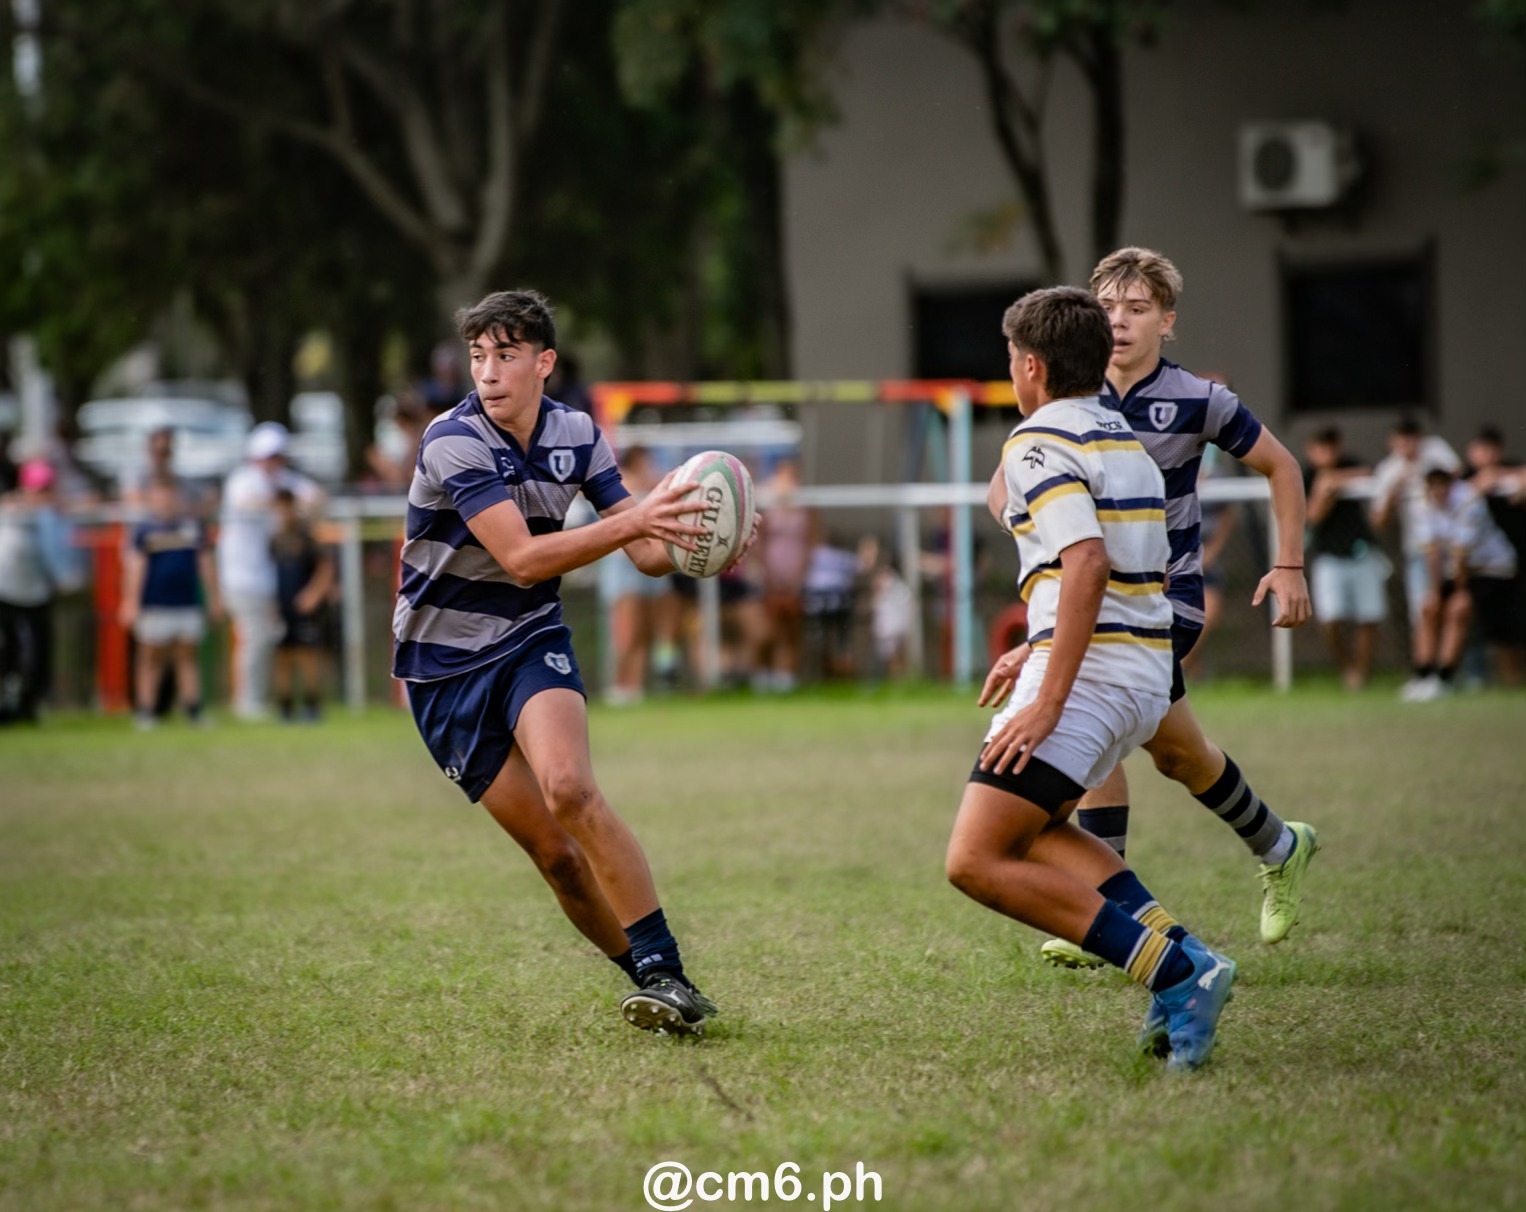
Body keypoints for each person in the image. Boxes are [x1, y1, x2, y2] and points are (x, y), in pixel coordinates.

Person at [393, 289, 755, 1036]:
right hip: (441, 670)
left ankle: (667, 973)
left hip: (528, 637)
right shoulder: (450, 440)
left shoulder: (577, 433)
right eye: (478, 356)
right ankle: (650, 982)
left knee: (571, 791)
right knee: (556, 857)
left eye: (506, 355)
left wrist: (696, 548)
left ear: (544, 363)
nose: (488, 372)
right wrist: (635, 523)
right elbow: (524, 557)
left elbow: (646, 549)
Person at [948, 286, 1236, 1071]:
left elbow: (1085, 562)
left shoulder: (1035, 442)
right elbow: (1106, 567)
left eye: (1012, 361)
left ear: (1032, 365)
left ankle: (1178, 972)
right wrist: (1032, 647)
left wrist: (1046, 697)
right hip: (1142, 673)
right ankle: (1184, 953)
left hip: (1087, 679)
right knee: (1038, 831)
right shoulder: (1120, 436)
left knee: (975, 860)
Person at [1025, 247, 1318, 968]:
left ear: (1168, 321)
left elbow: (1282, 465)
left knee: (1093, 716)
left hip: (1168, 600)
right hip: (1101, 601)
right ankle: (1281, 845)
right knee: (1178, 755)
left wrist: (1288, 564)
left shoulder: (1197, 399)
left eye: (1137, 308)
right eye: (1109, 308)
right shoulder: (1073, 400)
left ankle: (1100, 917)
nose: (1119, 322)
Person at [217, 422, 324, 720]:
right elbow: (247, 502)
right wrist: (284, 503)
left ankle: (262, 700)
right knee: (256, 638)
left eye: (276, 456)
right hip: (244, 575)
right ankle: (248, 702)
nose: (272, 462)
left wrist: (293, 503)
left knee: (270, 639)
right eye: (267, 456)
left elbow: (316, 498)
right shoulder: (243, 480)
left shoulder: (285, 481)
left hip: (271, 576)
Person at [1405, 467, 1519, 699]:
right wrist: (1434, 593)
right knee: (1428, 609)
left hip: (1491, 569)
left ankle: (1445, 678)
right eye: (1433, 486)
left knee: (1458, 609)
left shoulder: (1468, 500)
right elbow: (1433, 553)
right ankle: (1423, 675)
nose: (1439, 491)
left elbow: (1461, 555)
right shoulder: (1421, 503)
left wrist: (1458, 591)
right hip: (1454, 569)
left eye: (1443, 485)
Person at [119, 476, 220, 728]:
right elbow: (135, 568)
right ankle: (146, 711)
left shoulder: (192, 527)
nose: (165, 502)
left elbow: (206, 564)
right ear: (151, 499)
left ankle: (193, 710)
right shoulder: (144, 531)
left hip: (186, 602)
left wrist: (214, 599)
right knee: (151, 658)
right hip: (155, 603)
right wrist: (131, 602)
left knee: (187, 657)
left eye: (170, 496)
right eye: (160, 496)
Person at [1304, 427, 1389, 690]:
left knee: (1369, 616)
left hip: (1362, 552)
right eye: (1320, 446)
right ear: (1310, 449)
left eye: (1330, 446)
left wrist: (1336, 480)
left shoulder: (1350, 464)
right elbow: (1313, 517)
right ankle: (1347, 668)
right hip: (1329, 556)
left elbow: (1370, 473)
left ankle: (1361, 674)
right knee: (1330, 619)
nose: (1326, 453)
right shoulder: (1305, 476)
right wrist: (1324, 490)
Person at [0, 459, 82, 723]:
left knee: (40, 652)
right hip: (6, 591)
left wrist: (64, 577)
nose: (42, 494)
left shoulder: (53, 516)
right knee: (8, 651)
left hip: (36, 592)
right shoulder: (11, 508)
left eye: (46, 488)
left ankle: (29, 705)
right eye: (37, 488)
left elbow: (57, 553)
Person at [598, 446, 677, 705]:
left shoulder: (649, 480)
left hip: (649, 557)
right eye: (646, 458)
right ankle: (620, 685)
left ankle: (636, 686)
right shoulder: (620, 481)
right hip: (624, 565)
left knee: (645, 629)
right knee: (627, 630)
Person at [1371, 417, 1462, 631]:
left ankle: (1457, 659)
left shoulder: (1436, 451)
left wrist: (1425, 477)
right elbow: (1378, 519)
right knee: (1423, 608)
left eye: (1410, 440)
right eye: (1400, 441)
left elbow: (1457, 475)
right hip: (1418, 547)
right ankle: (1426, 661)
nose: (1406, 446)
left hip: (1453, 545)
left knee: (1456, 606)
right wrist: (1396, 489)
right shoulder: (1389, 469)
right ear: (1391, 442)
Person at [270, 488, 334, 721]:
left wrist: (313, 595)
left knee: (307, 656)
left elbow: (325, 568)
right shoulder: (275, 540)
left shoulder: (306, 537)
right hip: (283, 607)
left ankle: (312, 706)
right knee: (283, 656)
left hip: (305, 609)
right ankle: (285, 709)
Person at [757, 457, 814, 692]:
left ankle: (787, 677)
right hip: (772, 573)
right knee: (769, 629)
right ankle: (765, 675)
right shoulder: (769, 506)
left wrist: (800, 576)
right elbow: (760, 543)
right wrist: (767, 574)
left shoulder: (805, 507)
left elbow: (811, 542)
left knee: (792, 629)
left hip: (796, 574)